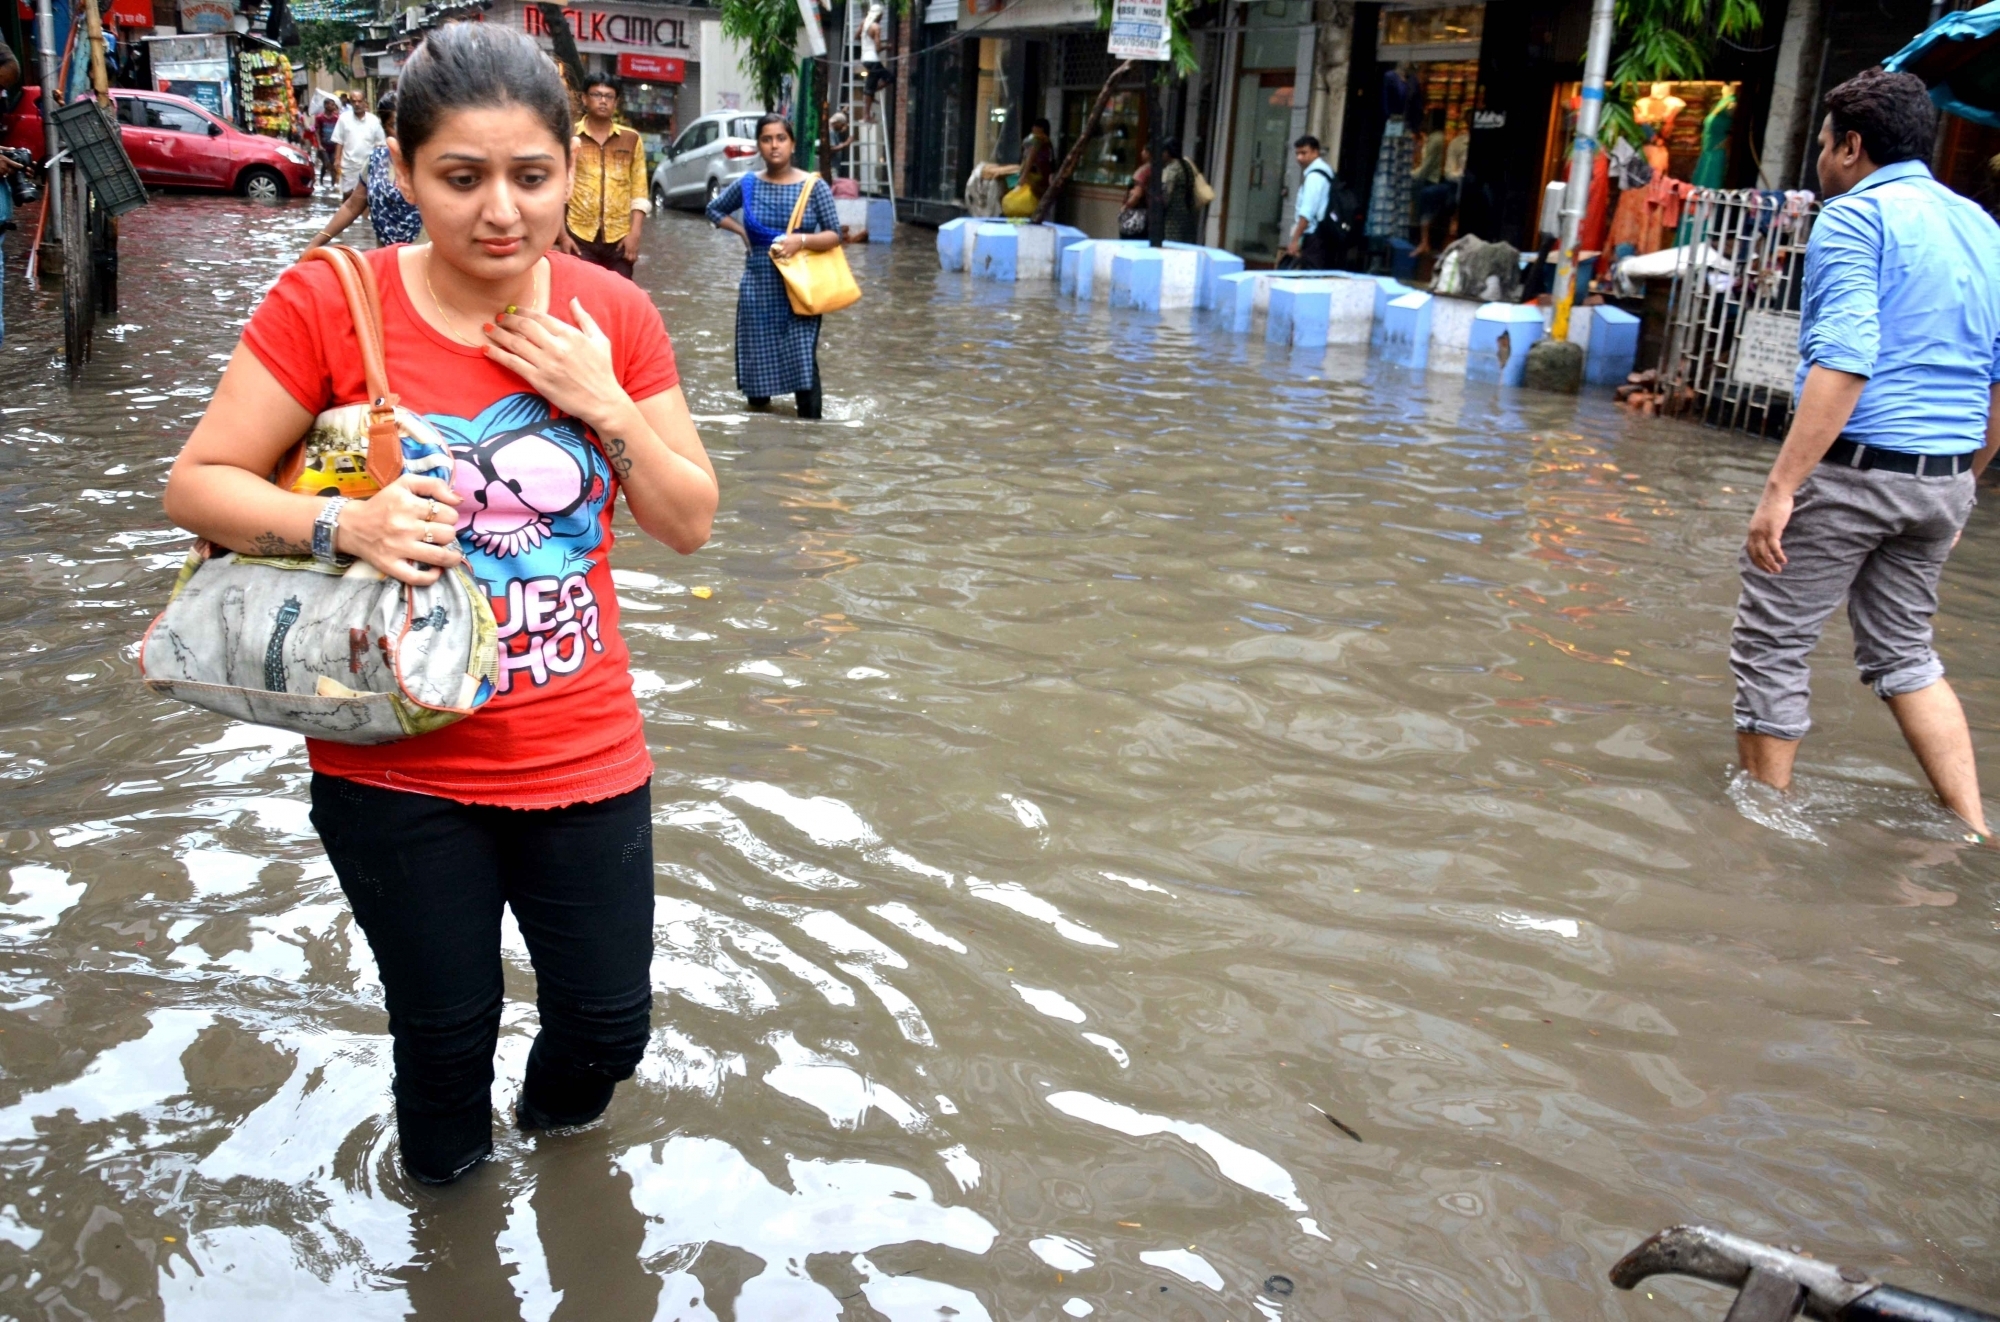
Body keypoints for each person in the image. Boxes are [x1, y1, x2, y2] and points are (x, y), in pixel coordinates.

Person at [159, 22, 719, 1186]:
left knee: (609, 1027)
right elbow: (196, 484)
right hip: (393, 759)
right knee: (444, 1043)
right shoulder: (332, 301)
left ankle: (559, 1167)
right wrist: (341, 525)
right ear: (405, 177)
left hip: (583, 744)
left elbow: (687, 518)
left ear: (573, 168)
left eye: (531, 176)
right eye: (461, 178)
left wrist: (604, 403)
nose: (500, 211)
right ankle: (452, 1246)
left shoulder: (611, 315)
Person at [1731, 69, 2000, 837]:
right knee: (1907, 656)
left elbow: (1844, 361)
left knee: (1772, 647)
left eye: (1821, 144)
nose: (1818, 161)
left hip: (1858, 471)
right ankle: (1975, 829)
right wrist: (1967, 484)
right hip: (1944, 479)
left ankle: (1761, 841)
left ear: (1852, 146)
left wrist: (1782, 487)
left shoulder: (1854, 218)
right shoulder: (1982, 227)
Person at [705, 114, 841, 419]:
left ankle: (809, 439)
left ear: (792, 144)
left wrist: (801, 241)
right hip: (759, 287)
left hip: (802, 289)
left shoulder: (813, 187)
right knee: (758, 369)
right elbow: (713, 209)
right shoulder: (748, 184)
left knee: (803, 358)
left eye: (781, 138)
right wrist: (741, 232)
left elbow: (835, 235)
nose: (774, 146)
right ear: (759, 146)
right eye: (766, 139)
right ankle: (759, 442)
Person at [304, 91, 423, 251]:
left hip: (425, 263)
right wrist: (315, 244)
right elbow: (352, 206)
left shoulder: (430, 163)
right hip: (385, 262)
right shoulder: (377, 161)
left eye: (408, 124)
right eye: (394, 126)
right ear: (385, 128)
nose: (403, 132)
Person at [559, 75, 649, 281]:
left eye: (609, 96)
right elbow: (557, 188)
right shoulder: (570, 136)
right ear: (584, 99)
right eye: (597, 95)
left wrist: (634, 235)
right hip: (578, 235)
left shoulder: (631, 139)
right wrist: (562, 236)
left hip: (620, 238)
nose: (603, 101)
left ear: (616, 102)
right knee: (581, 296)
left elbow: (639, 191)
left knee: (620, 299)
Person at [1284, 134, 1336, 268]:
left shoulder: (1314, 177)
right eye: (1297, 153)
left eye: (1304, 153)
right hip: (1323, 235)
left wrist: (1295, 240)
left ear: (1315, 152)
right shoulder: (1326, 172)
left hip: (1315, 237)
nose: (1299, 158)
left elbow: (1307, 213)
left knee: (1310, 278)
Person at [331, 89, 385, 199]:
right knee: (347, 195)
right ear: (350, 102)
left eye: (359, 101)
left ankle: (364, 216)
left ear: (365, 102)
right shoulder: (344, 119)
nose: (357, 104)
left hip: (368, 165)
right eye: (354, 101)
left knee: (366, 197)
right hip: (349, 165)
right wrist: (337, 159)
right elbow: (339, 141)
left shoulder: (374, 121)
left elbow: (380, 144)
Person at [1159, 138, 1199, 245]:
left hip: (1173, 215)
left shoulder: (1172, 169)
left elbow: (1166, 193)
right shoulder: (1187, 165)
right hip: (1188, 212)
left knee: (1173, 246)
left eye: (1163, 151)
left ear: (1168, 152)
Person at [858, 1, 889, 121]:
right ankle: (866, 115)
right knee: (888, 78)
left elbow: (857, 36)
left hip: (865, 58)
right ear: (879, 15)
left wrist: (865, 42)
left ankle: (871, 95)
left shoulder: (864, 23)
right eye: (882, 15)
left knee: (880, 80)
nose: (882, 18)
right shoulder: (876, 27)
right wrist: (887, 46)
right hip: (873, 59)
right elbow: (878, 48)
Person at [312, 94, 341, 187]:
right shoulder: (319, 118)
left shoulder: (336, 118)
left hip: (333, 146)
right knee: (326, 163)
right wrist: (319, 145)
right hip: (324, 145)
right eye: (331, 104)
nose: (333, 107)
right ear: (325, 106)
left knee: (332, 164)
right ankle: (321, 180)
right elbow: (317, 131)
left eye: (333, 105)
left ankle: (333, 184)